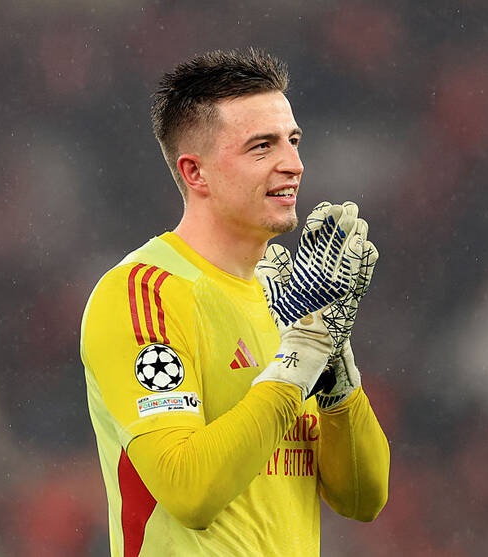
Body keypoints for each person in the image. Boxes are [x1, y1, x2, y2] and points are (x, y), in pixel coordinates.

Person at [80, 47, 390, 556]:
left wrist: (335, 370)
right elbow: (189, 491)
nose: (294, 165)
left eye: (293, 141)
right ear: (195, 173)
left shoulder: (287, 299)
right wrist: (297, 364)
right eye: (261, 147)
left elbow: (363, 497)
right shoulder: (143, 294)